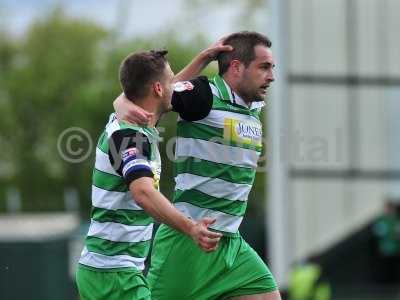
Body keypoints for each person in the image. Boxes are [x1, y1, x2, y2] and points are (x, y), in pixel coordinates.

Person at [115, 31, 281, 300]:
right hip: (189, 240)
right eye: (264, 67)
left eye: (272, 68)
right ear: (236, 67)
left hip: (229, 243)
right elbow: (154, 95)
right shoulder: (204, 95)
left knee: (267, 296)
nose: (271, 76)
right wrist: (121, 102)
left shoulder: (253, 106)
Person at [76, 40, 232, 300]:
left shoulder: (135, 119)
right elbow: (143, 193)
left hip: (110, 270)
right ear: (157, 88)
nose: (178, 86)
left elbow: (163, 92)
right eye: (171, 81)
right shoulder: (129, 136)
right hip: (113, 274)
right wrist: (191, 227)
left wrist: (204, 57)